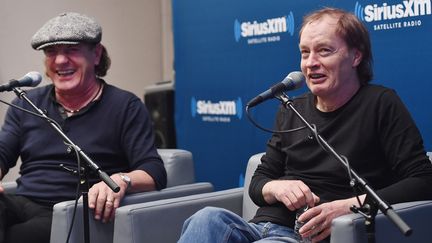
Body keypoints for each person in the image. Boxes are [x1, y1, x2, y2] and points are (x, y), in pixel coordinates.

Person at [177, 7, 432, 243]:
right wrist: (276, 187)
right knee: (206, 218)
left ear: (356, 56)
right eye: (305, 52)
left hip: (307, 235)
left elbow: (423, 181)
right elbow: (258, 182)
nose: (310, 62)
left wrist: (349, 206)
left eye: (324, 51)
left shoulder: (380, 103)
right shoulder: (292, 108)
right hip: (261, 226)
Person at [0, 12, 167, 243]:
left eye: (71, 50)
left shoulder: (125, 106)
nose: (60, 61)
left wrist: (121, 180)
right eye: (51, 52)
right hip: (22, 202)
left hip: (75, 211)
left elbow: (154, 171)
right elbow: (2, 153)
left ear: (96, 54)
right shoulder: (26, 103)